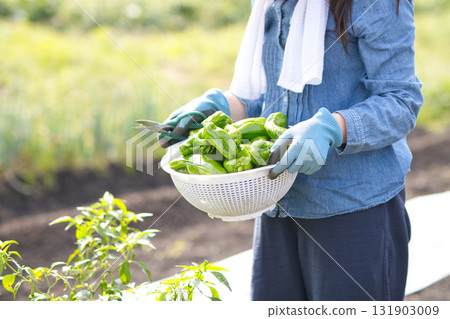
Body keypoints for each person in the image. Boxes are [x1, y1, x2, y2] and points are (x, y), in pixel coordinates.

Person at [159, 0, 423, 301]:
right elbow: (277, 102)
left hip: (351, 208)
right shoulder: (274, 4)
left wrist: (332, 128)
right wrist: (221, 107)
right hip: (278, 202)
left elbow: (401, 101)